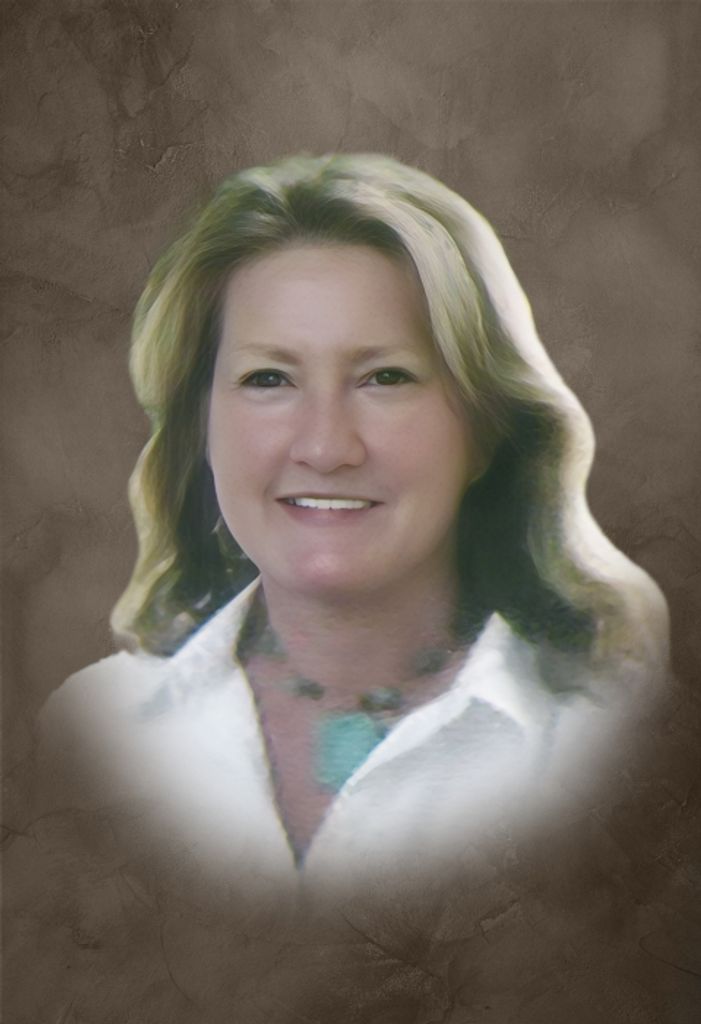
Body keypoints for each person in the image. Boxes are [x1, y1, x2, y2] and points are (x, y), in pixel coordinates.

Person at [39, 153, 669, 906]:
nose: (325, 447)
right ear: (199, 428)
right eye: (269, 379)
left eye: (385, 377)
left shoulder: (620, 745)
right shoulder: (89, 731)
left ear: (485, 429)